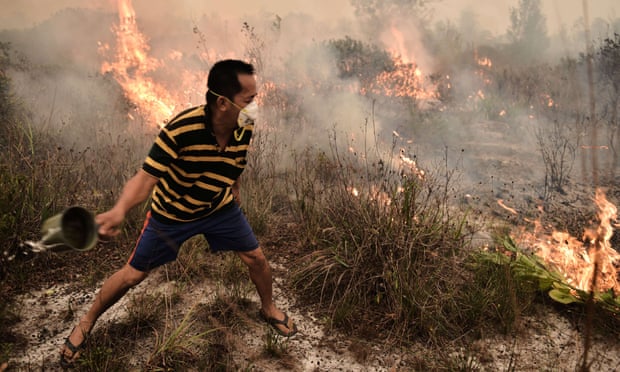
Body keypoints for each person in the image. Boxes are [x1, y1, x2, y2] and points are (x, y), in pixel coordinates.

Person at [60, 59, 298, 368]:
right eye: (249, 100)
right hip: (171, 215)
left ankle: (268, 308)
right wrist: (119, 210)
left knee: (256, 258)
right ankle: (87, 322)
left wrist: (234, 189)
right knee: (133, 274)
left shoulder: (244, 126)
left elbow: (235, 161)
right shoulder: (180, 129)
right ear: (223, 103)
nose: (255, 107)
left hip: (218, 207)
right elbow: (146, 178)